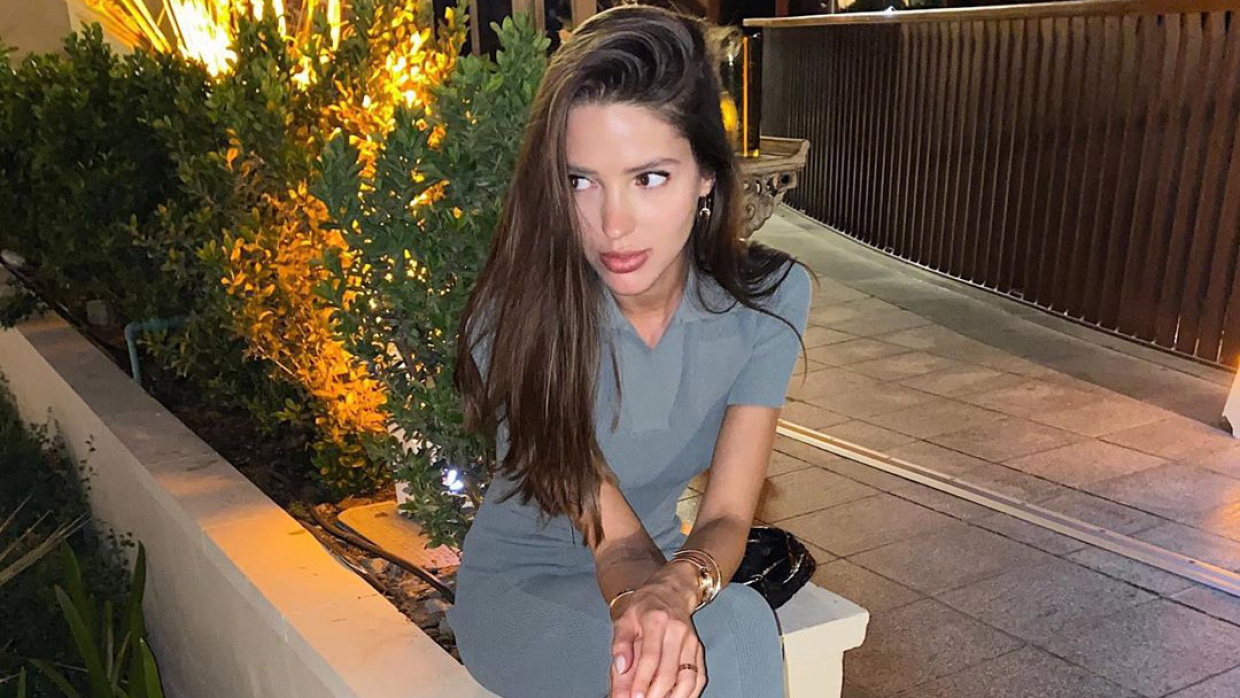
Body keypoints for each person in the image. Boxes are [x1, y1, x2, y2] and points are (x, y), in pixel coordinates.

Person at [446, 5, 813, 698]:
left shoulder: (768, 302)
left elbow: (728, 515)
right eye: (581, 181)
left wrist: (678, 586)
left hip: (657, 567)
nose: (612, 225)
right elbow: (612, 541)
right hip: (524, 593)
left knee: (734, 626)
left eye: (648, 178)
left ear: (706, 175)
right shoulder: (522, 316)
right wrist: (651, 602)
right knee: (709, 643)